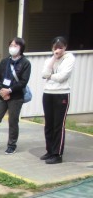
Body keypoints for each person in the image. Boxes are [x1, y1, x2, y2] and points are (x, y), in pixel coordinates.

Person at [0, 37, 31, 155]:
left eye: (15, 45)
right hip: (2, 96)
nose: (12, 48)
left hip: (16, 97)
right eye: (11, 45)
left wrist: (9, 90)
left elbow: (23, 82)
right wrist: (2, 91)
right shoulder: (4, 61)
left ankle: (12, 145)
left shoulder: (25, 63)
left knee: (13, 121)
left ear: (21, 47)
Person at [41, 36, 75, 165]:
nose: (58, 50)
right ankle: (49, 151)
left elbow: (62, 77)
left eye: (60, 47)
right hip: (48, 93)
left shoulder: (69, 58)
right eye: (55, 47)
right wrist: (54, 58)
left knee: (58, 125)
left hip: (61, 94)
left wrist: (50, 76)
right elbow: (44, 74)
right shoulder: (50, 59)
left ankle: (57, 154)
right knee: (48, 124)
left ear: (65, 47)